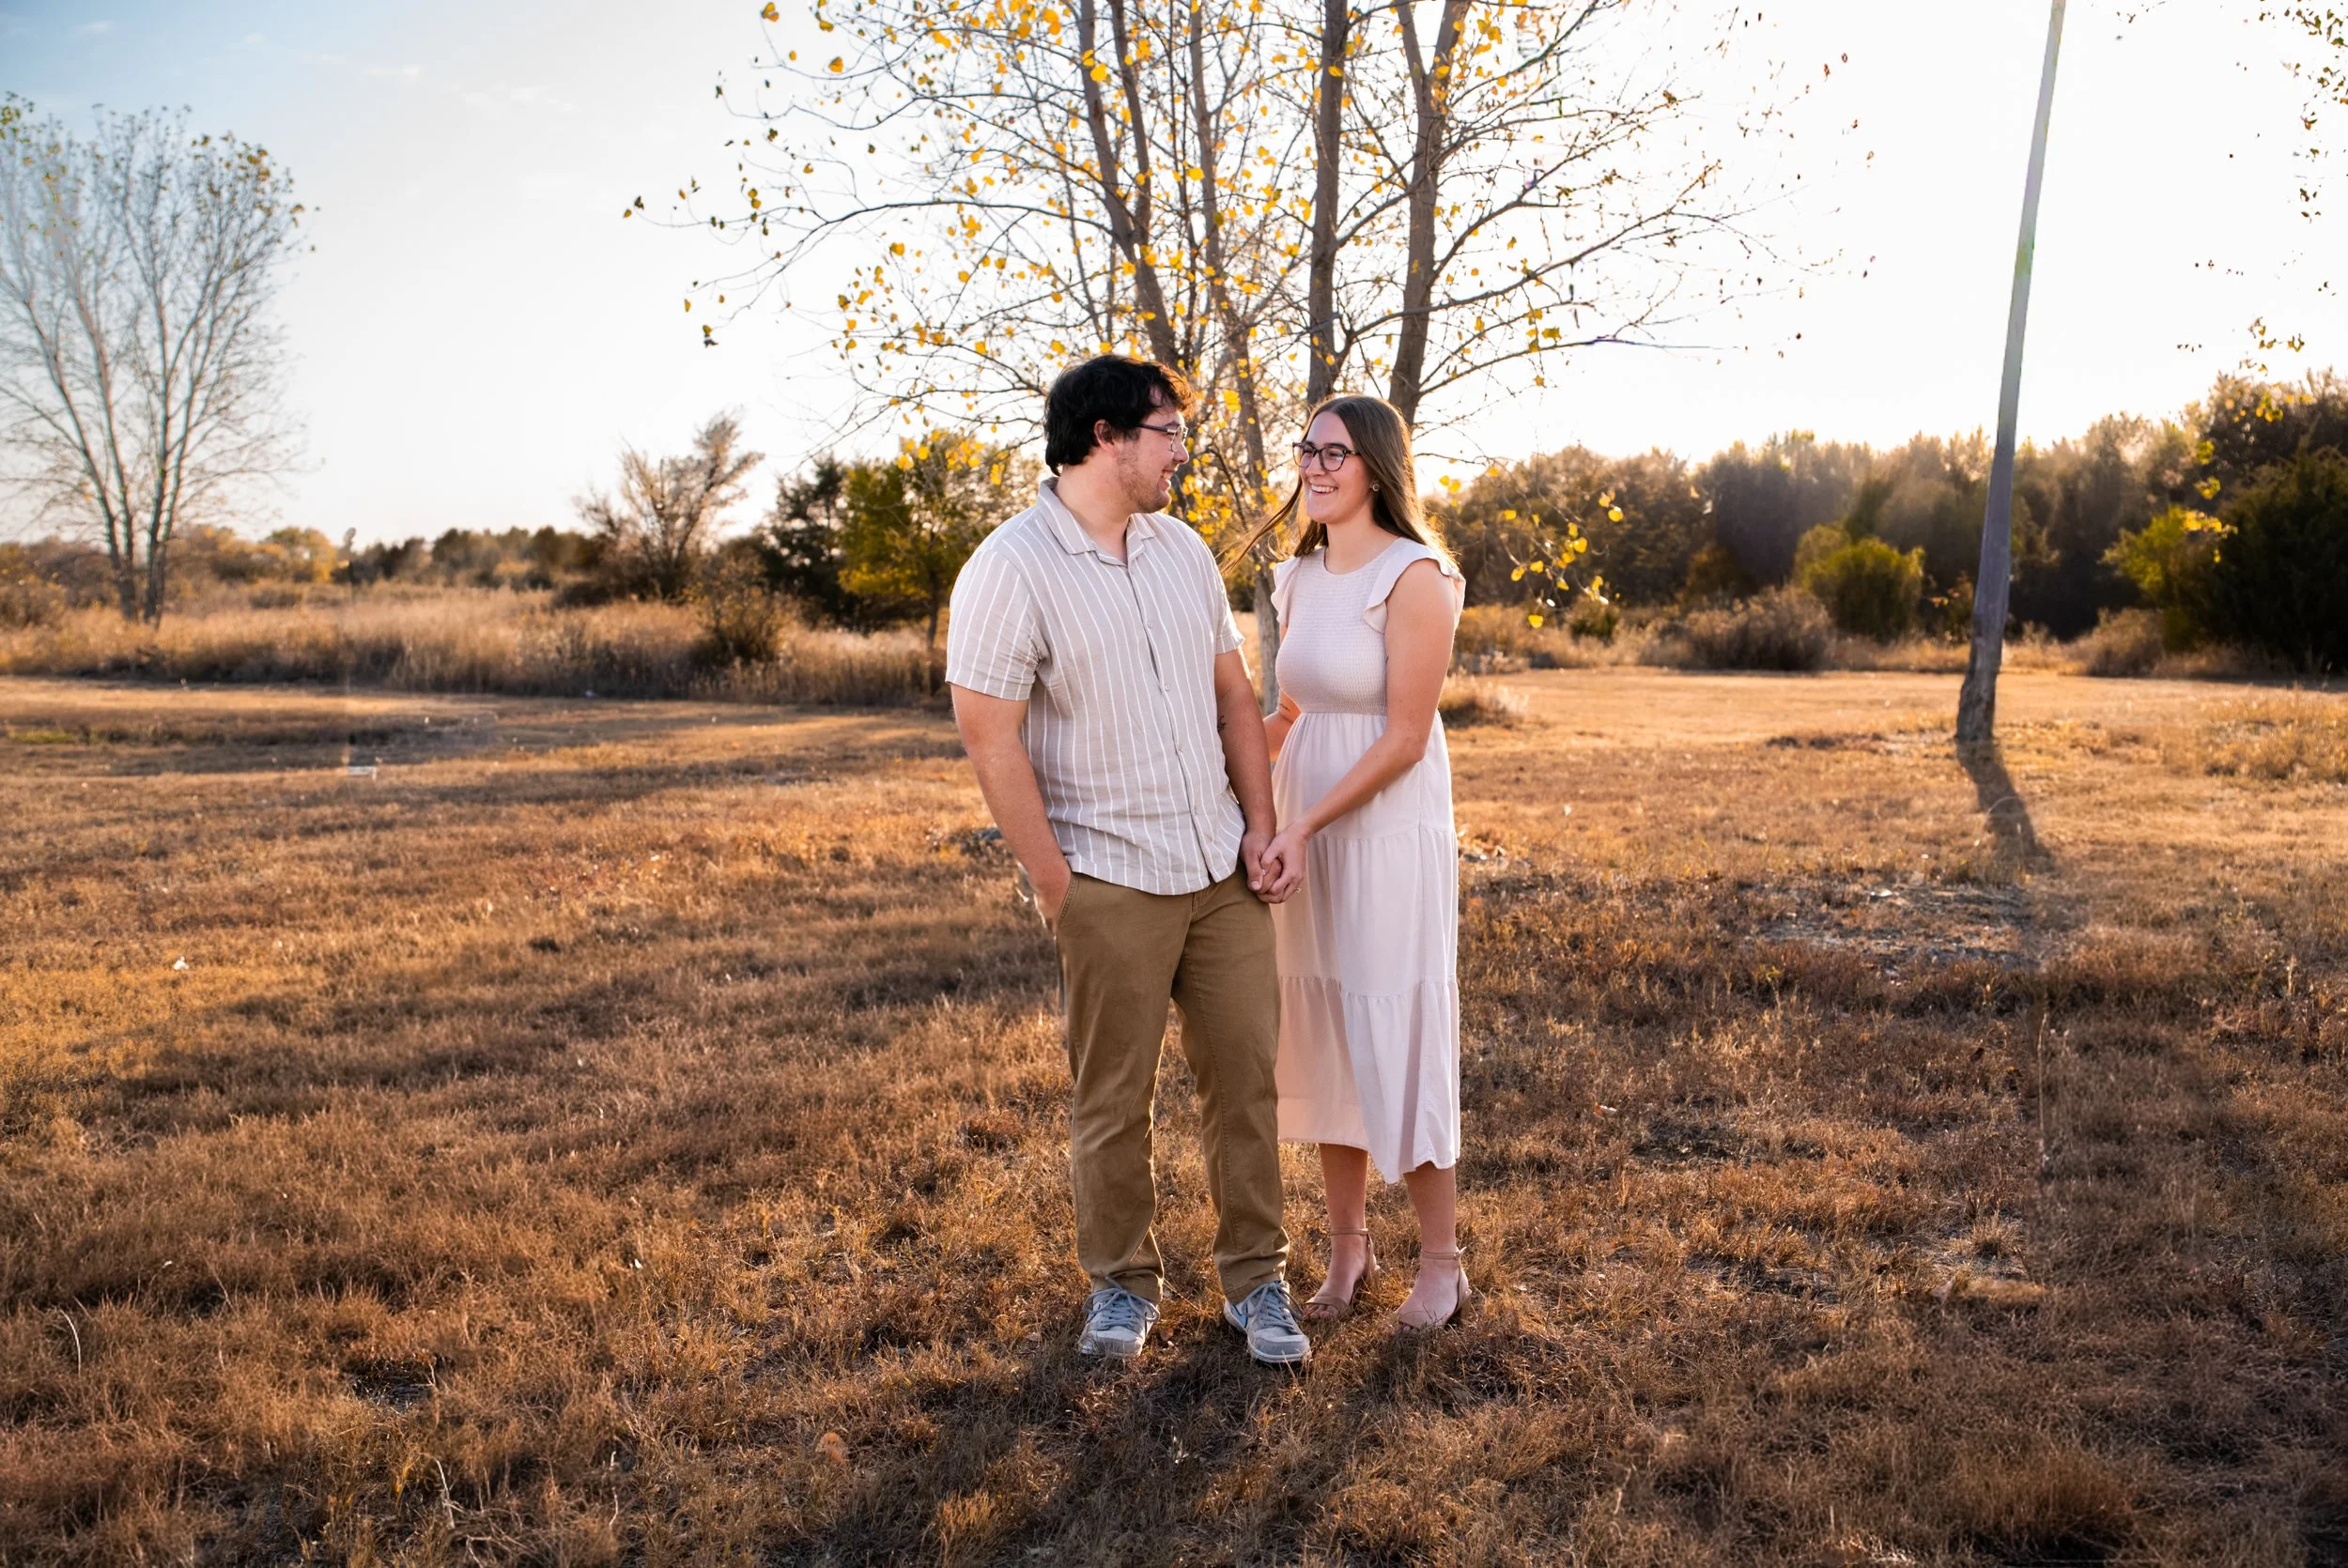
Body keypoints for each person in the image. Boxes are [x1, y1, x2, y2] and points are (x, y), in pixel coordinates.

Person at [944, 354, 1312, 1367]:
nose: (1181, 452)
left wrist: (1258, 819)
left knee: (1245, 1083)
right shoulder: (1009, 566)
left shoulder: (1181, 551)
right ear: (1105, 436)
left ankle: (1257, 1282)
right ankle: (1120, 1286)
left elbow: (1236, 697)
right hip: (1108, 875)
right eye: (1167, 432)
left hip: (1218, 867)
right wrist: (1058, 886)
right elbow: (990, 737)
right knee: (1113, 1097)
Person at [1245, 393, 1473, 1332]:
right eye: (1306, 449)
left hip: (1380, 827)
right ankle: (1347, 1249)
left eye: (1333, 451)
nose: (1314, 465)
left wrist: (1308, 826)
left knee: (1391, 1025)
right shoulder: (1295, 576)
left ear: (1376, 465)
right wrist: (1229, 777)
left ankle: (1443, 1262)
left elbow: (1407, 735)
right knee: (1327, 1022)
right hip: (1305, 820)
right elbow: (1293, 714)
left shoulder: (1417, 574)